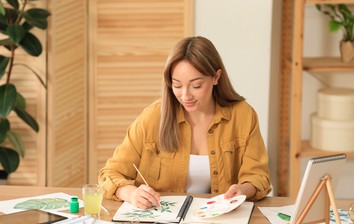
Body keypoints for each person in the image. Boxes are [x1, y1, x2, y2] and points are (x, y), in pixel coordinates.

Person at [98, 36, 271, 209]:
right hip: (160, 221)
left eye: (196, 86)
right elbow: (110, 174)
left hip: (218, 221)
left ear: (216, 77)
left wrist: (244, 189)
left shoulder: (243, 116)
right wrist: (131, 193)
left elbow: (258, 176)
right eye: (177, 86)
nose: (186, 96)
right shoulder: (152, 118)